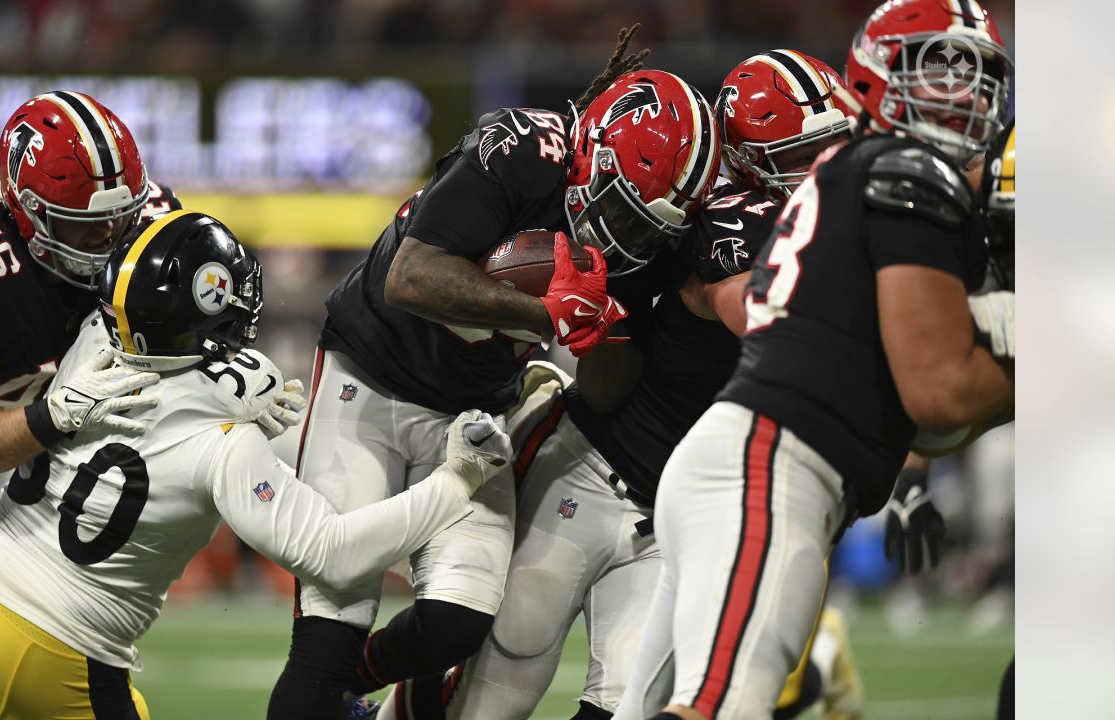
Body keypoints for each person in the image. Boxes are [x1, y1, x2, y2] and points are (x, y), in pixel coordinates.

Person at [371, 49, 860, 720]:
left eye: (837, 141)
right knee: (494, 689)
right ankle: (344, 680)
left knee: (622, 706)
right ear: (749, 164)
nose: (833, 164)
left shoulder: (745, 213)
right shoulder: (728, 224)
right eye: (810, 150)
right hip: (593, 467)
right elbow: (771, 325)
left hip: (675, 515)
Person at [268, 25, 722, 720]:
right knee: (332, 625)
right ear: (591, 154)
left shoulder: (644, 240)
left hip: (472, 413)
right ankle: (328, 690)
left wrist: (601, 329)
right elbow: (410, 278)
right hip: (371, 380)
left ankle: (352, 701)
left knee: (459, 621)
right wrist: (546, 314)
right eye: (622, 212)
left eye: (643, 230)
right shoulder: (519, 148)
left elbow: (604, 386)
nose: (622, 238)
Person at [0, 210, 514, 720]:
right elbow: (333, 554)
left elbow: (168, 377)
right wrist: (455, 479)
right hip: (54, 644)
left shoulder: (90, 346)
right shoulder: (224, 440)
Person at [613, 1, 1015, 717]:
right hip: (770, 469)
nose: (960, 95)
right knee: (718, 709)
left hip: (750, 467)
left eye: (976, 75)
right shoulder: (906, 175)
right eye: (936, 70)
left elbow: (922, 418)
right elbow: (941, 393)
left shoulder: (869, 175)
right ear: (873, 76)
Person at [0, 90, 183, 569]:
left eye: (120, 216)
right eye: (85, 223)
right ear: (28, 213)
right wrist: (55, 416)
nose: (110, 236)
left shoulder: (148, 223)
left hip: (4, 468)